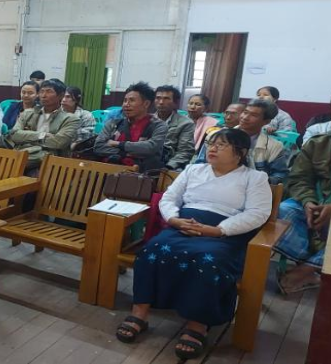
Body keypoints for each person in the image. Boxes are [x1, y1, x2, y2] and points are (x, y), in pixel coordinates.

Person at [116, 128, 272, 360]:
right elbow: (169, 198)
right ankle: (140, 312)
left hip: (224, 233)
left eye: (221, 145)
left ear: (240, 153)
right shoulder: (193, 170)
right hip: (184, 225)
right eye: (211, 143)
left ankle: (198, 324)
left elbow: (258, 213)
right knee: (152, 250)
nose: (213, 148)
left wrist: (218, 230)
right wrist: (174, 219)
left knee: (208, 261)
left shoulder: (254, 178)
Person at [274, 102, 331, 294]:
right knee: (282, 211)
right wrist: (308, 202)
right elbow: (299, 178)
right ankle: (311, 262)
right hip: (313, 201)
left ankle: (307, 270)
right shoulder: (319, 144)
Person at [0, 79, 80, 174]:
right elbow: (14, 134)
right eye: (41, 91)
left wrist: (26, 136)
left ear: (61, 95)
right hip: (24, 154)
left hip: (49, 162)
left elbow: (59, 142)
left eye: (49, 92)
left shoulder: (70, 119)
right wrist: (42, 135)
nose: (43, 95)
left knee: (9, 167)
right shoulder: (27, 113)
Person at [195, 99, 288, 185]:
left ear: (266, 121)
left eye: (254, 115)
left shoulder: (274, 146)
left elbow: (280, 175)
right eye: (245, 112)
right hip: (213, 183)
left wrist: (257, 181)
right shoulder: (215, 136)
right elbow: (200, 163)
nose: (245, 117)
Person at [94, 82, 167, 172]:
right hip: (107, 170)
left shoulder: (158, 125)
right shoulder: (114, 123)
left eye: (131, 100)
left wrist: (118, 144)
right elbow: (98, 146)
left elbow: (150, 148)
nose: (126, 104)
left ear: (146, 104)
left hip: (142, 174)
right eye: (125, 101)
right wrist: (124, 153)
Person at [153, 85, 195, 171]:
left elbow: (185, 151)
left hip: (170, 165)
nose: (161, 102)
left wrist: (168, 167)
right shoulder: (147, 119)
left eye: (166, 99)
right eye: (158, 98)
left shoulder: (186, 123)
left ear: (175, 103)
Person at [61, 86, 96, 151]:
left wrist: (74, 142)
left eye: (68, 97)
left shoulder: (86, 115)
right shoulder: (56, 113)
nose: (63, 100)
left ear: (76, 100)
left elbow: (88, 134)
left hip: (77, 146)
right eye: (62, 96)